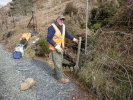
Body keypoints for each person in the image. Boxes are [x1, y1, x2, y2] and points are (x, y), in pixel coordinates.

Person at [47, 15, 78, 83]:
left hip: (61, 48)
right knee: (57, 63)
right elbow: (48, 38)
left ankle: (55, 72)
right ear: (57, 19)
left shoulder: (63, 26)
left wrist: (73, 38)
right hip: (54, 48)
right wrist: (56, 45)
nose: (62, 21)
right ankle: (60, 78)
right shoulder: (52, 27)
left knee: (60, 61)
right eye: (60, 19)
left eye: (63, 20)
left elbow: (66, 34)